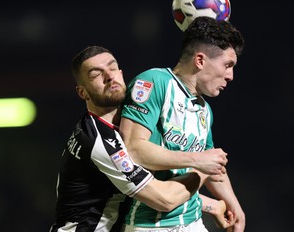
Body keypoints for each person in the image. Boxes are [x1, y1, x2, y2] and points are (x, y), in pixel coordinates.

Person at [49, 45, 230, 232]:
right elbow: (164, 199)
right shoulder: (101, 141)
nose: (109, 76)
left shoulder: (128, 126)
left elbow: (138, 194)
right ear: (82, 92)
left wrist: (210, 205)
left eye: (112, 68)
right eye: (96, 74)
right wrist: (203, 167)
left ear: (121, 72)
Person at [120, 16, 246, 232]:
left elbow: (211, 164)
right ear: (200, 60)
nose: (231, 76)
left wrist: (235, 206)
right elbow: (133, 149)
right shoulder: (154, 82)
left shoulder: (204, 109)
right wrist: (198, 160)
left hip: (193, 221)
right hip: (150, 225)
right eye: (227, 65)